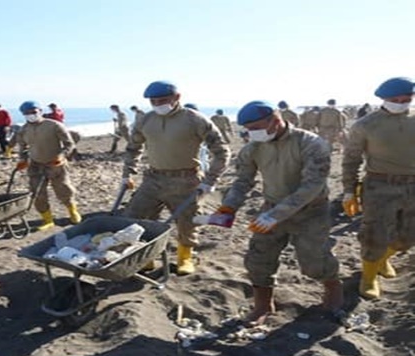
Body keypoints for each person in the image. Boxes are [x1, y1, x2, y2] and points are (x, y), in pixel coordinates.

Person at [212, 100, 342, 325]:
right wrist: (228, 207)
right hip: (271, 207)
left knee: (314, 263)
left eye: (256, 127)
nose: (252, 133)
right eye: (248, 129)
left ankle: (333, 290)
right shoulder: (253, 148)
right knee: (258, 259)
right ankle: (263, 305)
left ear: (275, 120)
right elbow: (242, 181)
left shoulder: (311, 143)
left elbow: (312, 186)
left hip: (311, 211)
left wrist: (276, 215)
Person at [123, 81, 230, 275]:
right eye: (153, 101)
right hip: (153, 179)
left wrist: (210, 180)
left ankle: (184, 257)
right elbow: (133, 148)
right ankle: (148, 255)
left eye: (163, 100)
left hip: (186, 180)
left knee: (187, 220)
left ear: (177, 97)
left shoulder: (194, 119)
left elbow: (221, 151)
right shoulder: (145, 120)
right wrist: (128, 173)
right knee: (138, 216)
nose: (158, 104)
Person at [342, 77, 415, 300]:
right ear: (383, 99)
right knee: (374, 235)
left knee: (408, 237)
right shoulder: (366, 125)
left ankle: (383, 260)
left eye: (407, 99)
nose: (401, 103)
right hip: (380, 185)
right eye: (396, 99)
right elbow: (351, 159)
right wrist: (348, 190)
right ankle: (369, 276)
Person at [15, 100, 80, 229]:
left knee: (64, 189)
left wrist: (61, 156)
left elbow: (69, 144)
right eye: (27, 113)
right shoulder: (24, 130)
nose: (31, 115)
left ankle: (73, 212)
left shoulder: (54, 125)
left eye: (33, 112)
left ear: (40, 111)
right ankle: (47, 219)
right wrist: (22, 160)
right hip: (35, 165)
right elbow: (22, 147)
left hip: (55, 163)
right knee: (37, 193)